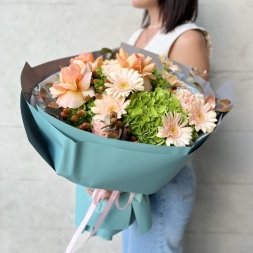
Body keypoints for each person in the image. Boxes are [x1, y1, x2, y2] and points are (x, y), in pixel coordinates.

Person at [121, 0, 211, 253]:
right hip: (134, 178)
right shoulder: (139, 34)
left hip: (163, 182)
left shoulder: (187, 38)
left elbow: (193, 122)